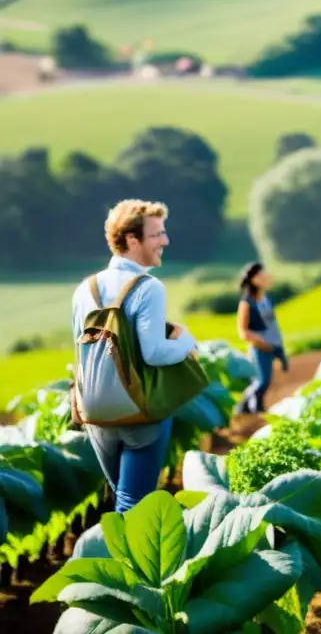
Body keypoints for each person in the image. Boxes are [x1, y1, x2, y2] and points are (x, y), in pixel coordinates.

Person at [70, 199, 198, 513]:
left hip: (96, 413)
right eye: (156, 235)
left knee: (122, 496)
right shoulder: (148, 288)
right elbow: (153, 353)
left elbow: (80, 352)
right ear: (132, 240)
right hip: (139, 412)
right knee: (133, 504)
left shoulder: (84, 289)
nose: (165, 241)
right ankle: (128, 562)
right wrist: (187, 343)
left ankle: (120, 555)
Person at [235, 262, 288, 414]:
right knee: (261, 381)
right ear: (254, 280)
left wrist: (277, 344)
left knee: (265, 381)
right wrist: (259, 340)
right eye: (262, 275)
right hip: (259, 348)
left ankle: (247, 409)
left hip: (271, 346)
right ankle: (249, 409)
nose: (267, 278)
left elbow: (271, 324)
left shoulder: (265, 300)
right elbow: (242, 331)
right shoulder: (246, 303)